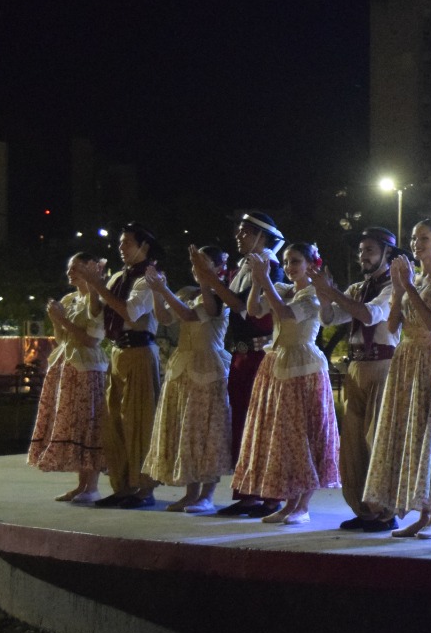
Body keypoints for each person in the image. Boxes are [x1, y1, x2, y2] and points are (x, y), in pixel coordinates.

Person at [229, 243, 341, 525]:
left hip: (303, 366)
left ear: (311, 264)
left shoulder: (313, 294)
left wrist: (264, 280)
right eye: (287, 261)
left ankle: (302, 506)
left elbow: (287, 314)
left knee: (303, 435)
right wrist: (258, 281)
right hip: (277, 362)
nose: (290, 267)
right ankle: (288, 502)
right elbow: (254, 310)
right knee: (281, 436)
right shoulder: (281, 288)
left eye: (296, 261)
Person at [364, 220, 431, 538]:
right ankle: (419, 513)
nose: (417, 244)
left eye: (425, 238)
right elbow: (392, 326)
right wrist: (398, 289)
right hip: (406, 359)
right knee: (411, 434)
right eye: (414, 238)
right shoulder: (412, 280)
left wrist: (407, 286)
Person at [193, 212, 286, 517]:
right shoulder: (243, 268)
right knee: (243, 424)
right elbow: (217, 308)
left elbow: (245, 308)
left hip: (260, 354)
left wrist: (210, 279)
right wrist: (206, 281)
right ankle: (247, 493)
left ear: (262, 236)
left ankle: (269, 494)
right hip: (241, 355)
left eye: (245, 231)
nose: (238, 236)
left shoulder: (271, 268)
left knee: (262, 425)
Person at [312, 226, 401, 532]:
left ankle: (385, 511)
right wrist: (324, 296)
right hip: (356, 367)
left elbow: (369, 315)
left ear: (387, 254)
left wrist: (332, 292)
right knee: (353, 444)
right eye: (361, 251)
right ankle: (363, 509)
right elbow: (330, 318)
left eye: (370, 250)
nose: (363, 256)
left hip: (383, 366)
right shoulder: (357, 288)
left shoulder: (394, 287)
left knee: (378, 441)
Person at [77, 223, 163, 508]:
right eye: (120, 243)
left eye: (127, 243)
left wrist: (100, 286)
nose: (121, 248)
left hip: (139, 350)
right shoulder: (118, 276)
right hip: (117, 351)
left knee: (140, 421)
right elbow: (97, 314)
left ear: (144, 246)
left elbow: (130, 311)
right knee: (114, 423)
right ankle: (122, 486)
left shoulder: (149, 277)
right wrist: (94, 287)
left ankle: (144, 489)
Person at [141, 246, 233, 512]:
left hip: (208, 368)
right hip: (183, 367)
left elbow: (192, 315)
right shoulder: (187, 294)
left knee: (206, 431)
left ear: (218, 268)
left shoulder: (220, 296)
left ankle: (207, 495)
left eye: (203, 263)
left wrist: (164, 290)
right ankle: (190, 493)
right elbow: (164, 317)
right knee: (185, 429)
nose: (196, 268)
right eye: (194, 263)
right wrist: (157, 291)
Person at [27, 252, 109, 504]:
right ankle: (81, 485)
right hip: (67, 363)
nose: (70, 273)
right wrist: (56, 322)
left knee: (87, 423)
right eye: (69, 268)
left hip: (87, 367)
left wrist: (62, 320)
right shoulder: (70, 299)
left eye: (75, 268)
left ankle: (91, 485)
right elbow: (63, 338)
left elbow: (92, 339)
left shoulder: (96, 300)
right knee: (72, 422)